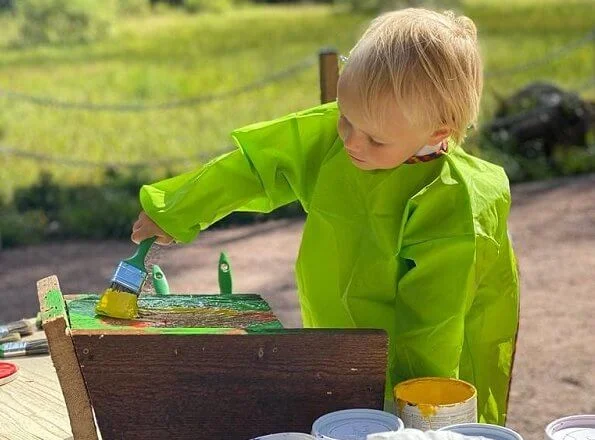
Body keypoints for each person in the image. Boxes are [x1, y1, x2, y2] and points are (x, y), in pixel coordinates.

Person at [131, 8, 519, 425]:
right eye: (345, 118)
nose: (351, 141)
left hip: (433, 363)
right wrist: (174, 208)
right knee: (341, 393)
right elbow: (256, 166)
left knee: (428, 419)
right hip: (338, 326)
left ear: (438, 132)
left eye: (375, 138)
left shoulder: (453, 201)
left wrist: (409, 416)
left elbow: (431, 327)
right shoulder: (343, 134)